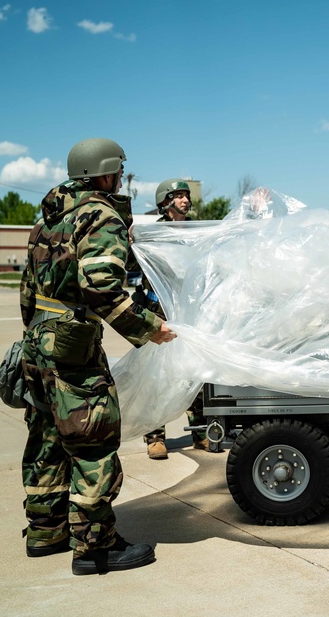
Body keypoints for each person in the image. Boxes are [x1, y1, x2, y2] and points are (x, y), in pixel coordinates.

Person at [19, 137, 177, 575]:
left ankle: (45, 531)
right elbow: (101, 287)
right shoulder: (100, 215)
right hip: (72, 351)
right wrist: (149, 328)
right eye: (119, 170)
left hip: (37, 344)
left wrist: (39, 340)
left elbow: (29, 291)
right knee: (92, 442)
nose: (121, 177)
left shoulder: (49, 218)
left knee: (47, 438)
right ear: (105, 173)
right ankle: (95, 548)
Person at [138, 179, 211, 459]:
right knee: (157, 375)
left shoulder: (196, 231)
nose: (184, 200)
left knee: (195, 372)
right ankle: (155, 436)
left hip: (189, 309)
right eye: (178, 195)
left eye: (185, 195)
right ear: (165, 201)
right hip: (158, 312)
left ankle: (201, 432)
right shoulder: (151, 232)